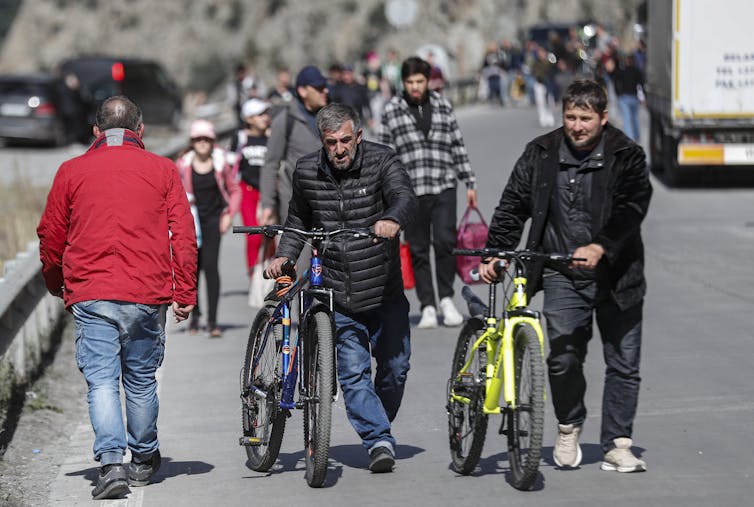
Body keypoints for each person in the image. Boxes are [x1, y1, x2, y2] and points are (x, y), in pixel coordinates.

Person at [479, 79, 652, 473]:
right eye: (570, 117)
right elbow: (512, 205)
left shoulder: (627, 155)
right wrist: (496, 252)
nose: (577, 126)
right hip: (560, 273)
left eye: (585, 118)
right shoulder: (540, 152)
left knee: (623, 362)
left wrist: (601, 245)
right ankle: (569, 424)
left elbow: (632, 207)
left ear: (603, 118)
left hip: (618, 276)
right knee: (562, 359)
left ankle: (617, 443)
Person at [36, 96, 197, 500]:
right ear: (139, 131)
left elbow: (51, 235)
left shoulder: (71, 171)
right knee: (140, 380)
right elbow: (184, 234)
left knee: (102, 382)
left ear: (95, 131)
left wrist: (57, 283)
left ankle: (111, 464)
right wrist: (185, 291)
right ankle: (142, 459)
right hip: (146, 291)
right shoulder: (163, 170)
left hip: (91, 292)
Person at [265, 103, 417, 473]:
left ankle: (375, 419)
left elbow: (404, 196)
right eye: (331, 142)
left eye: (346, 140)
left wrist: (392, 219)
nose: (339, 149)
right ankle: (378, 439)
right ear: (322, 141)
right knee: (352, 374)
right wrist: (284, 256)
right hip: (337, 292)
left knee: (395, 369)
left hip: (384, 289)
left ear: (359, 136)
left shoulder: (383, 161)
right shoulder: (307, 170)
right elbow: (298, 219)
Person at [378, 56, 477, 329]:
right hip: (410, 191)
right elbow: (385, 154)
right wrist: (386, 192)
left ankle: (446, 297)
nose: (415, 87)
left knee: (445, 241)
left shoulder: (443, 105)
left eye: (419, 81)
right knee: (419, 248)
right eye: (409, 82)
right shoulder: (392, 110)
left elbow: (457, 144)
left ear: (428, 80)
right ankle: (428, 305)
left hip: (443, 183)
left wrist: (469, 180)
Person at [176, 119, 240, 337]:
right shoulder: (183, 164)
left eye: (206, 139)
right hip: (190, 221)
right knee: (192, 269)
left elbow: (234, 190)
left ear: (212, 141)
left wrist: (229, 216)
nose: (202, 143)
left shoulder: (220, 163)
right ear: (192, 141)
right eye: (198, 139)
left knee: (211, 269)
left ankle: (212, 322)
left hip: (213, 220)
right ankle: (195, 316)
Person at [259, 65, 329, 226]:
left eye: (325, 86)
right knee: (299, 251)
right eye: (319, 88)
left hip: (328, 203)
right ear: (303, 91)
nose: (325, 91)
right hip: (295, 205)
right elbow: (270, 163)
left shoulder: (331, 116)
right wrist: (267, 205)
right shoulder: (285, 120)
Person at [228, 99, 272, 293]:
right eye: (260, 115)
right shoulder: (240, 138)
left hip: (269, 193)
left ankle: (271, 274)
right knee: (253, 235)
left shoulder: (272, 137)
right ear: (249, 119)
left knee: (271, 234)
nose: (265, 118)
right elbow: (230, 165)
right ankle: (254, 274)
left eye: (266, 114)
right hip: (247, 191)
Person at [605, 53, 645, 143]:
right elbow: (641, 85)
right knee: (635, 118)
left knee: (627, 119)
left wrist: (618, 94)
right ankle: (637, 136)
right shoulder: (637, 71)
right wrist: (642, 97)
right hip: (634, 97)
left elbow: (615, 81)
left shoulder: (621, 71)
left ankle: (630, 139)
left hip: (624, 98)